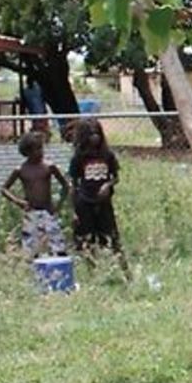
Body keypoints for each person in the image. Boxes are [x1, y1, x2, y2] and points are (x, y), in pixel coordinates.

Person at [68, 118, 126, 275]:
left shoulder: (107, 155)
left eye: (97, 133)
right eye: (91, 133)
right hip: (84, 201)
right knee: (87, 238)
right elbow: (73, 183)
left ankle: (124, 269)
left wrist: (108, 185)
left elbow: (115, 177)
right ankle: (92, 271)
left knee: (112, 236)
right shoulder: (79, 158)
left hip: (104, 202)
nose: (95, 137)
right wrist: (73, 210)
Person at [2, 131, 70, 260]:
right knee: (31, 247)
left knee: (57, 244)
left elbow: (66, 185)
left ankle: (58, 267)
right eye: (36, 149)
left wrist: (59, 204)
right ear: (27, 152)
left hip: (48, 210)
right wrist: (18, 201)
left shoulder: (49, 167)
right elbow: (4, 189)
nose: (40, 152)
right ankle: (34, 269)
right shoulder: (21, 170)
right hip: (31, 211)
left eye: (41, 148)